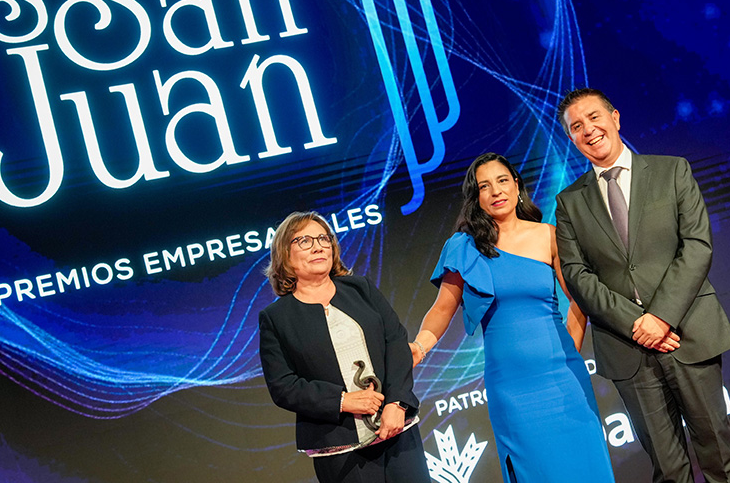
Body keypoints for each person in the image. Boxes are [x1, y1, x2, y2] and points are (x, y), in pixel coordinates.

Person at [554, 87, 730, 483]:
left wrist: (660, 317)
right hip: (627, 348)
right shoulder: (569, 202)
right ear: (571, 138)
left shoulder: (672, 171)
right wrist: (636, 324)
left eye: (594, 117)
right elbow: (577, 274)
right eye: (576, 126)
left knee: (719, 454)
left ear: (615, 118)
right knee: (668, 468)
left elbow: (696, 246)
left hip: (687, 334)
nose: (588, 130)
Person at [410, 153, 616, 482]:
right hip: (512, 389)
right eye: (484, 186)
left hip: (564, 378)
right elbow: (441, 309)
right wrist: (419, 347)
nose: (496, 191)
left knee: (585, 467)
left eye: (503, 180)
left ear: (517, 185)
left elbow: (580, 300)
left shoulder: (548, 235)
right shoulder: (463, 247)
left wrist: (571, 351)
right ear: (476, 198)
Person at [258, 211, 431, 483]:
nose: (318, 247)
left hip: (397, 430)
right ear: (284, 254)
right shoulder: (276, 318)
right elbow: (283, 385)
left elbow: (396, 342)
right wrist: (341, 401)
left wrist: (397, 403)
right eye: (304, 241)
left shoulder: (361, 288)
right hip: (339, 448)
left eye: (323, 238)